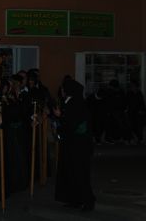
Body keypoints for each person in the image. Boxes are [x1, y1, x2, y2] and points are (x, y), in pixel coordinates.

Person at [54, 79, 95, 212]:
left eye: (63, 88)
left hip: (78, 146)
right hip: (74, 145)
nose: (62, 91)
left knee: (80, 173)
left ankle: (87, 201)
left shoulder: (75, 103)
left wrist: (60, 117)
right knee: (72, 173)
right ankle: (75, 199)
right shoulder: (74, 102)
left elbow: (72, 124)